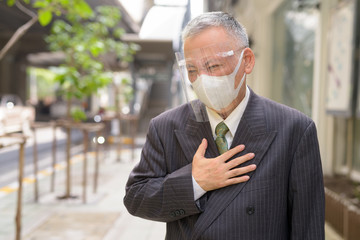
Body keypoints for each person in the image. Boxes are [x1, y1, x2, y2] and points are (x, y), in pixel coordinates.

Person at [124, 11, 324, 240]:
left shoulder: (294, 129)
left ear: (246, 61)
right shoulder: (165, 127)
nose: (202, 79)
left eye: (213, 66)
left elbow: (309, 227)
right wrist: (194, 182)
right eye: (191, 70)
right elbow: (136, 198)